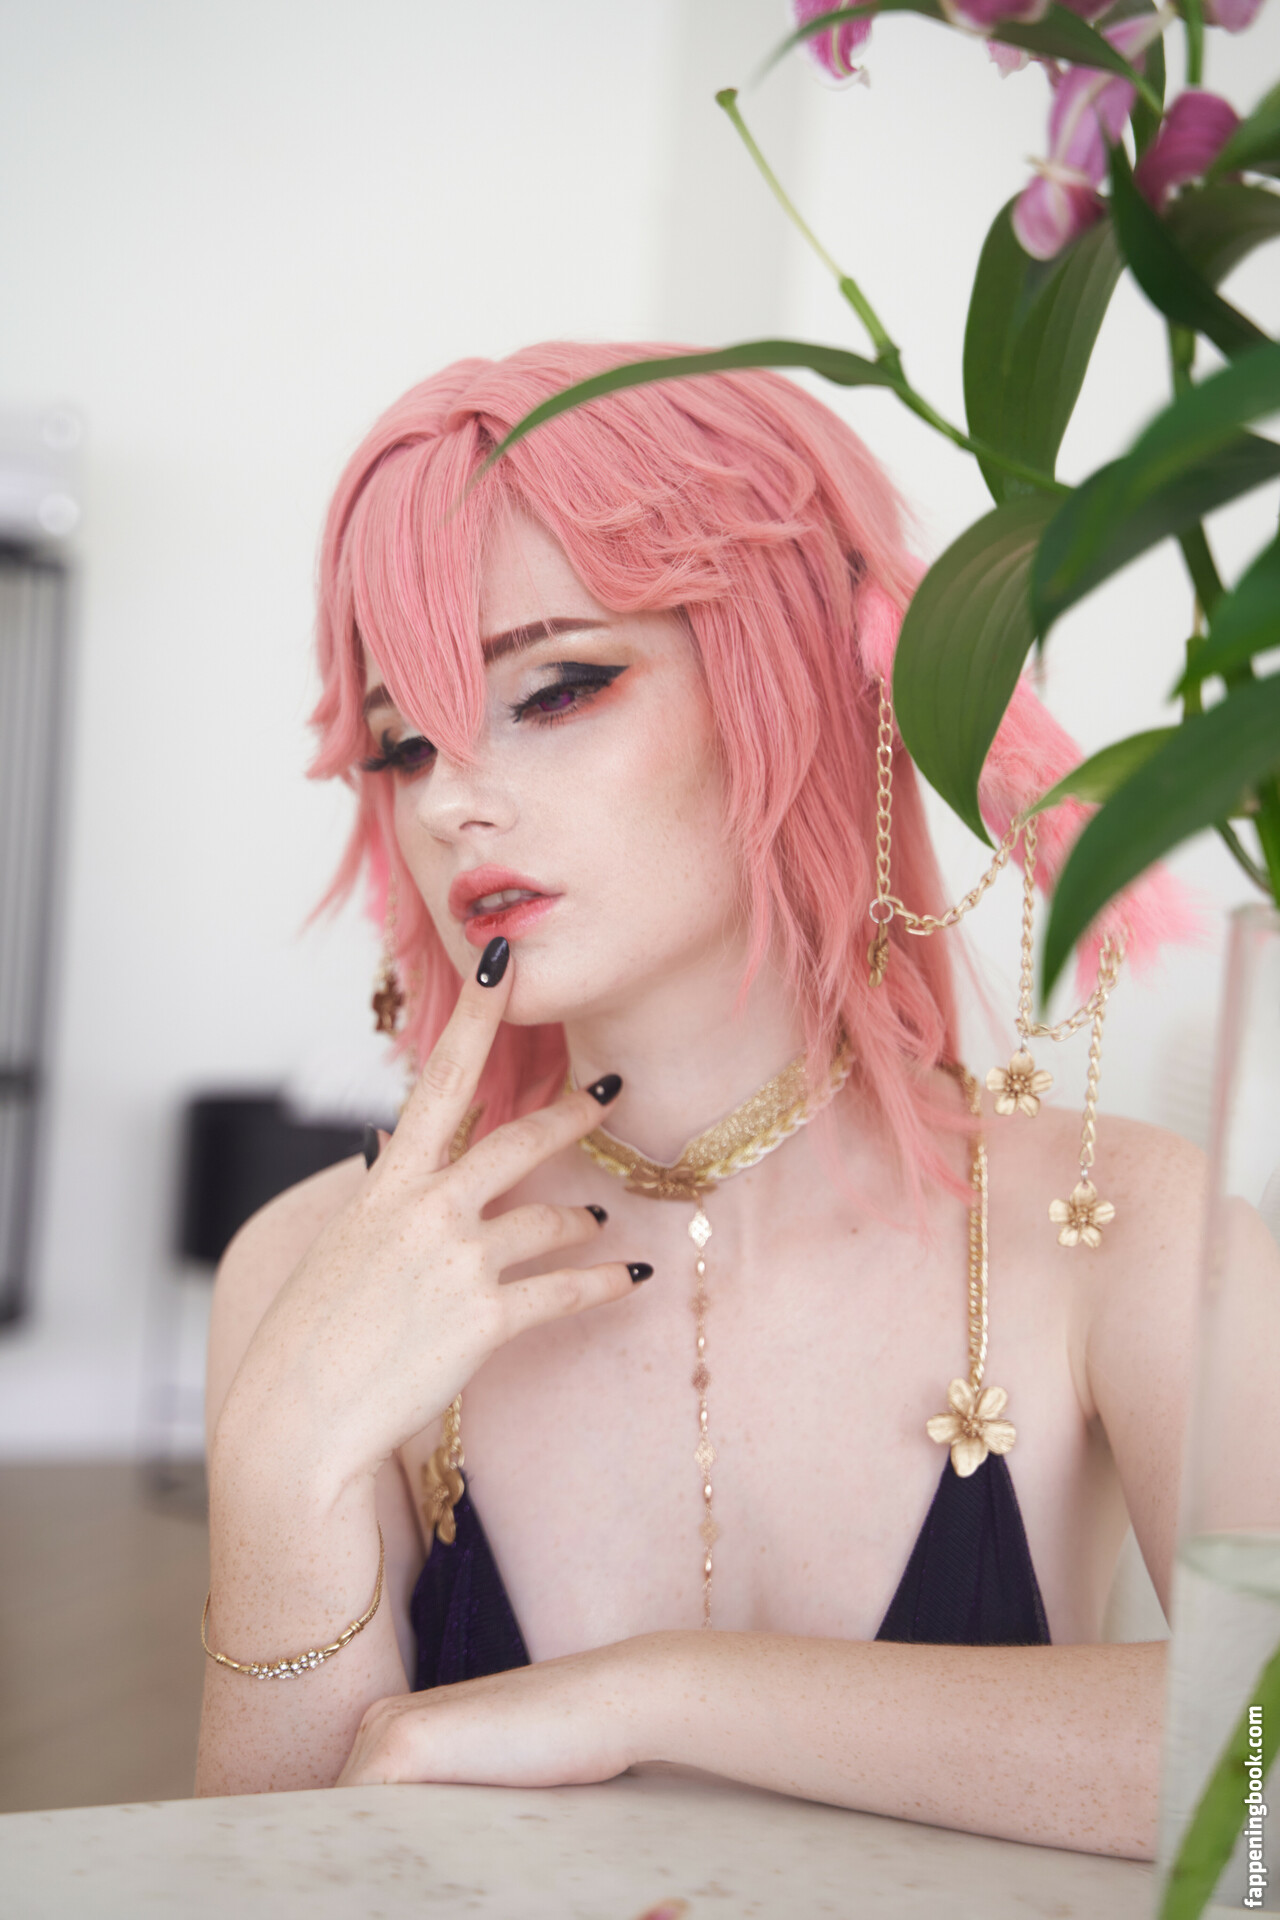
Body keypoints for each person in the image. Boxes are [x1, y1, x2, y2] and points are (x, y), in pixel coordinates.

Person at [195, 342, 1206, 1857]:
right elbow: (258, 1881)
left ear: (785, 683)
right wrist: (282, 1466)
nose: (451, 798)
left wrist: (654, 1698)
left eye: (558, 686)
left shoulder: (1124, 1224)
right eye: (405, 741)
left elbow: (1263, 1786)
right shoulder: (306, 1266)